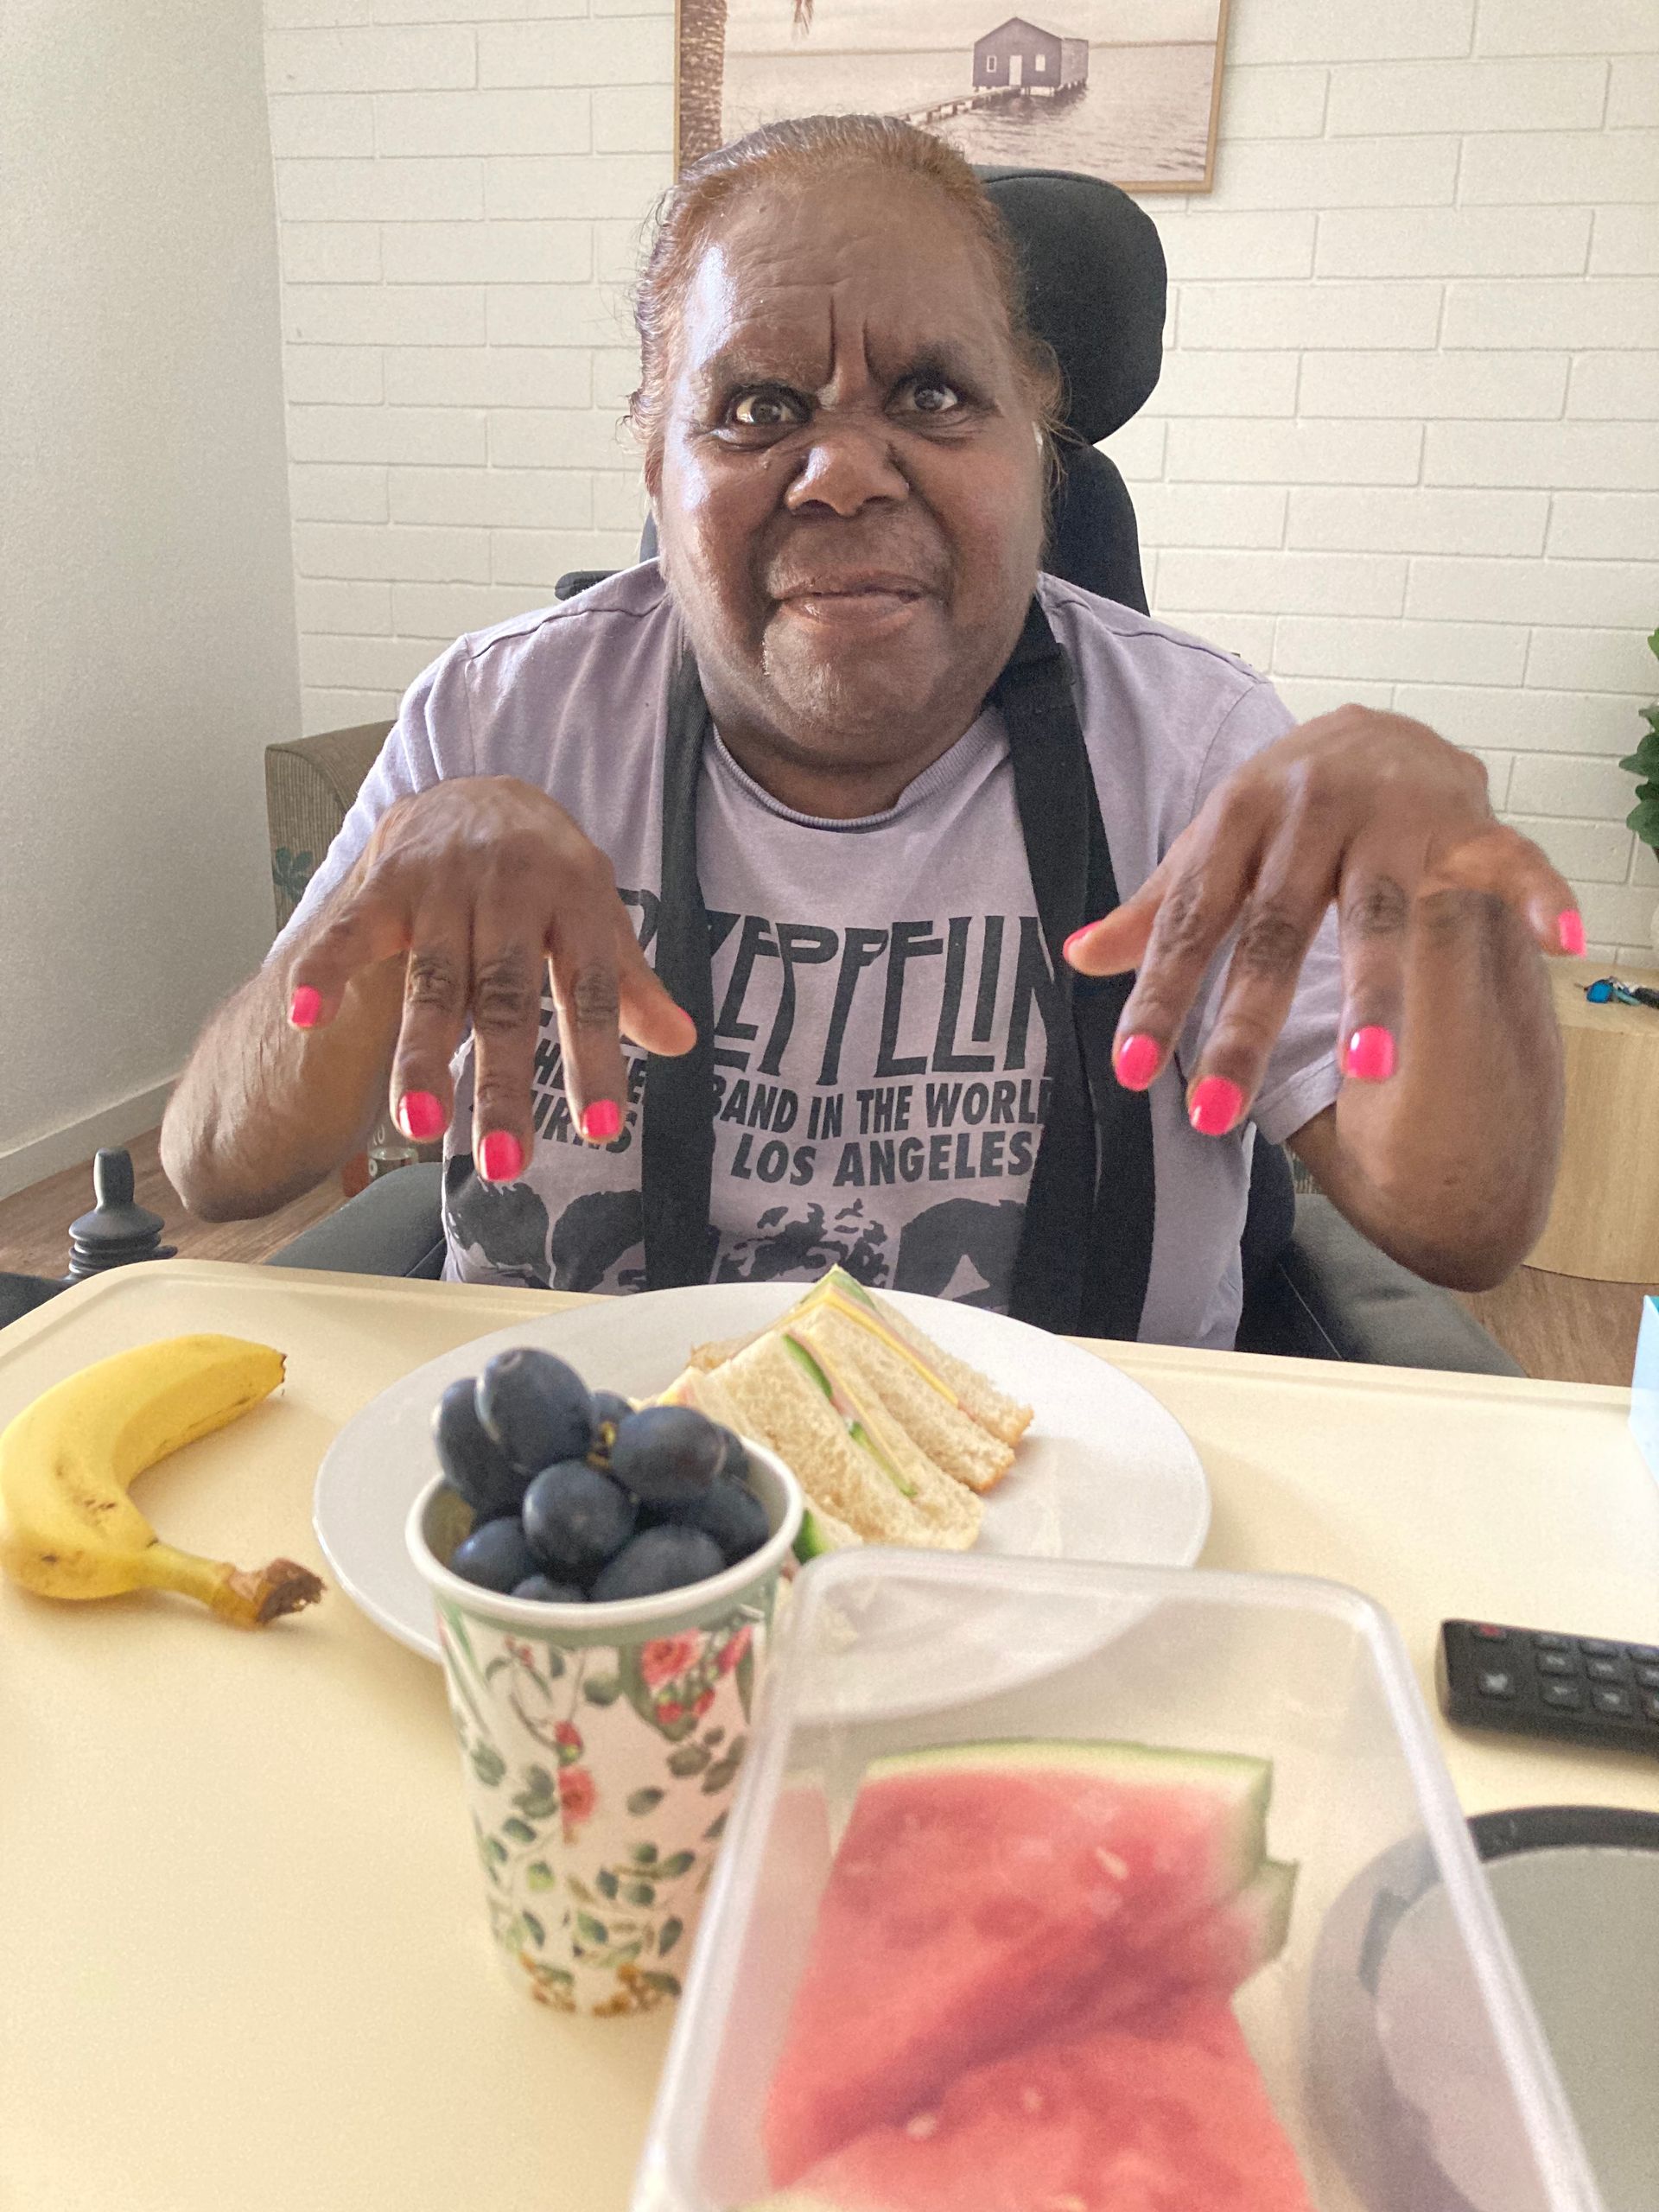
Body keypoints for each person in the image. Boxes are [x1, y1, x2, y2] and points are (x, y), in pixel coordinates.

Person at [162, 115, 1570, 1351]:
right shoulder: (499, 719)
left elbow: (1459, 1224)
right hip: (576, 1528)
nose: (840, 470)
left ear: (1039, 438)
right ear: (657, 465)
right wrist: (382, 886)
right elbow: (217, 1166)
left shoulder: (1196, 748)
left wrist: (1446, 902)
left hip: (1077, 1509)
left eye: (933, 395)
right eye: (759, 408)